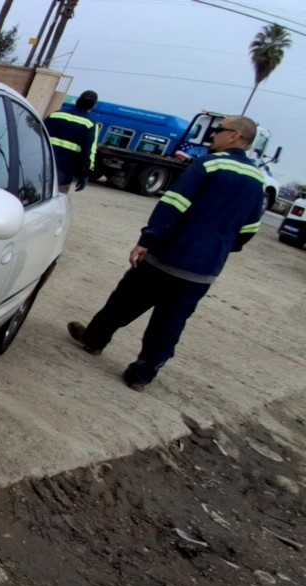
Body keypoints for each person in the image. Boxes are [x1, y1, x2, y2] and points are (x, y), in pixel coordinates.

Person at [66, 116, 265, 391]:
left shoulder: (209, 164)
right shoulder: (258, 179)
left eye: (219, 130)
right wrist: (221, 245)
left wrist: (148, 239)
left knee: (125, 301)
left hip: (168, 258)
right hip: (203, 271)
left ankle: (94, 340)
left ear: (235, 136)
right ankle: (142, 374)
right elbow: (249, 228)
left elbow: (174, 203)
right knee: (170, 323)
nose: (213, 135)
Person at [45, 90, 98, 193]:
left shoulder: (55, 115)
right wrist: (84, 175)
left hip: (42, 165)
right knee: (56, 203)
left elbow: (37, 134)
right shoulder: (90, 124)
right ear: (93, 106)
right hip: (63, 173)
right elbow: (89, 152)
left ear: (77, 100)